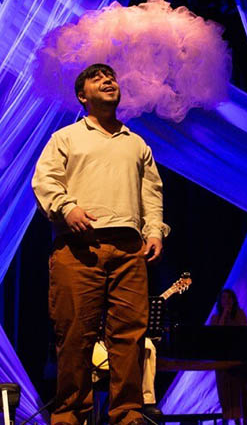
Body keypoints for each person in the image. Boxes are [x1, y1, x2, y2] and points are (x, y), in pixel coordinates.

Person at [33, 63, 169, 425]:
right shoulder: (66, 137)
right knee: (75, 334)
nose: (108, 80)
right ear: (82, 96)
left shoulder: (136, 143)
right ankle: (69, 415)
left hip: (128, 249)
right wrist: (67, 208)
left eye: (111, 77)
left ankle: (127, 414)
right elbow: (45, 181)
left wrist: (154, 231)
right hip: (79, 246)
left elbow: (151, 192)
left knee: (129, 335)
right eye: (97, 78)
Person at [208, 289, 247, 424]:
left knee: (242, 390)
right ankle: (233, 420)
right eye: (224, 298)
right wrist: (224, 315)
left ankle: (244, 421)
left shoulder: (240, 314)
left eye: (230, 298)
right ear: (220, 301)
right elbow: (216, 335)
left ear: (234, 300)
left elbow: (245, 332)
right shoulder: (215, 318)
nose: (227, 301)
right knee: (226, 391)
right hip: (222, 359)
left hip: (238, 357)